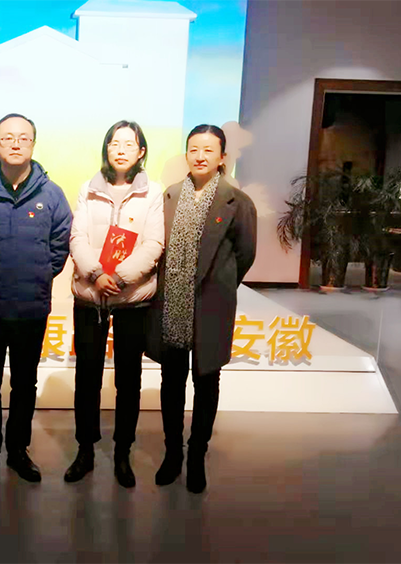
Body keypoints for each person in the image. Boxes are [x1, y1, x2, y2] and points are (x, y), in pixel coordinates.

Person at [0, 113, 73, 484]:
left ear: (33, 144)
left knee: (25, 382)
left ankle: (18, 450)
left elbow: (61, 242)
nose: (16, 143)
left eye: (24, 137)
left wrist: (40, 273)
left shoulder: (51, 194)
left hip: (31, 305)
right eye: (8, 137)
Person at [146, 124, 257, 493]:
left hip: (211, 303)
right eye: (194, 149)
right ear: (186, 154)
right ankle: (172, 453)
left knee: (206, 380)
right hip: (171, 302)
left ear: (222, 157)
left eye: (209, 150)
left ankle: (197, 455)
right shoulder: (170, 195)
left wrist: (221, 285)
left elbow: (245, 254)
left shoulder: (237, 201)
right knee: (171, 381)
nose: (200, 156)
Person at [64, 121, 164, 488]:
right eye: (114, 143)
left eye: (129, 144)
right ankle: (85, 450)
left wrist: (119, 277)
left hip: (131, 300)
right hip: (90, 297)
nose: (121, 150)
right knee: (86, 377)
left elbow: (154, 244)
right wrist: (95, 274)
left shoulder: (153, 192)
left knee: (129, 380)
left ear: (141, 151)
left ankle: (123, 452)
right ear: (106, 149)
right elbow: (77, 237)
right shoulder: (88, 189)